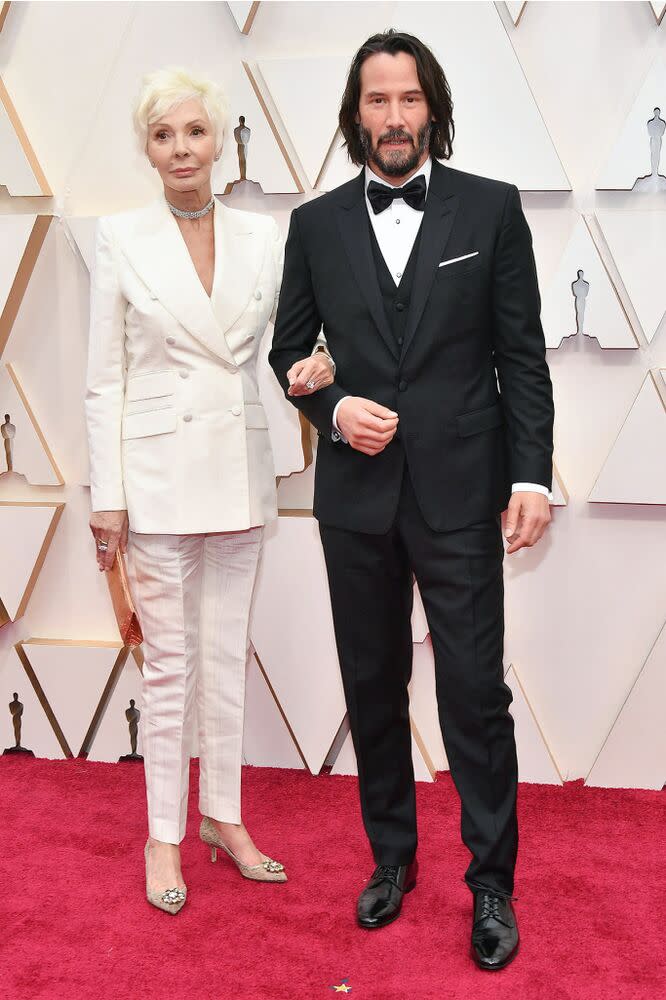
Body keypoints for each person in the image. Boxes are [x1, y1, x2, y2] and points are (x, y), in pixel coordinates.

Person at [270, 31, 554, 970]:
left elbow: (522, 357)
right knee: (373, 687)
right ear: (356, 115)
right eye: (376, 101)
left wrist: (529, 477)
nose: (393, 118)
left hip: (464, 494)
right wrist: (332, 402)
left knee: (476, 694)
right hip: (354, 501)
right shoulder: (314, 225)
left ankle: (491, 884)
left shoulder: (491, 208)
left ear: (431, 106)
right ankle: (391, 860)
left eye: (408, 100)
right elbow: (292, 355)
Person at [85, 66, 333, 915]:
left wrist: (316, 364)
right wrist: (107, 492)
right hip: (154, 476)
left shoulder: (267, 237)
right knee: (169, 667)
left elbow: (284, 342)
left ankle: (224, 817)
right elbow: (102, 379)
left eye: (195, 132)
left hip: (237, 464)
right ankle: (164, 833)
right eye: (164, 135)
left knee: (226, 652)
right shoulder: (119, 237)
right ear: (147, 149)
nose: (181, 148)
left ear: (219, 142)